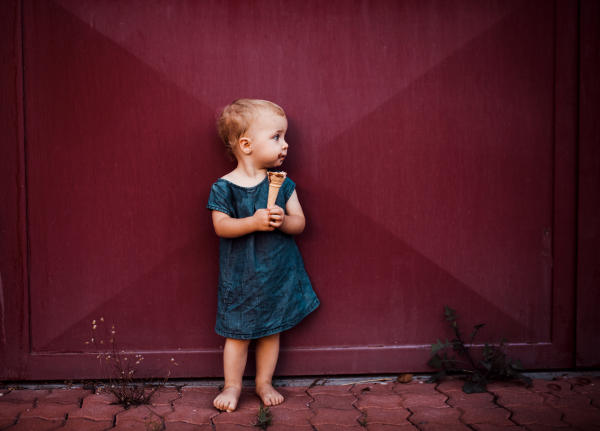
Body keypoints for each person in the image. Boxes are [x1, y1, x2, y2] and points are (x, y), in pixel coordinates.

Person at [207, 99, 320, 412]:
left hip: (276, 272)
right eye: (276, 137)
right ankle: (232, 385)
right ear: (246, 144)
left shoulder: (282, 183)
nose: (285, 144)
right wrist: (253, 222)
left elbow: (299, 223)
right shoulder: (224, 188)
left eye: (284, 137)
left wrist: (283, 220)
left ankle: (263, 382)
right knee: (238, 334)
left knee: (272, 330)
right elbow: (221, 227)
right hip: (240, 276)